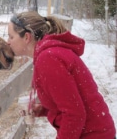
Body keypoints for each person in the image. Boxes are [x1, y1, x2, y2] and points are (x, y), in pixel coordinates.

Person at [7, 11, 116, 139]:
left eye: (11, 37)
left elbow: (74, 114)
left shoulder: (48, 59)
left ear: (26, 37)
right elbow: (69, 102)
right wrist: (43, 109)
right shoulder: (50, 53)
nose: (8, 42)